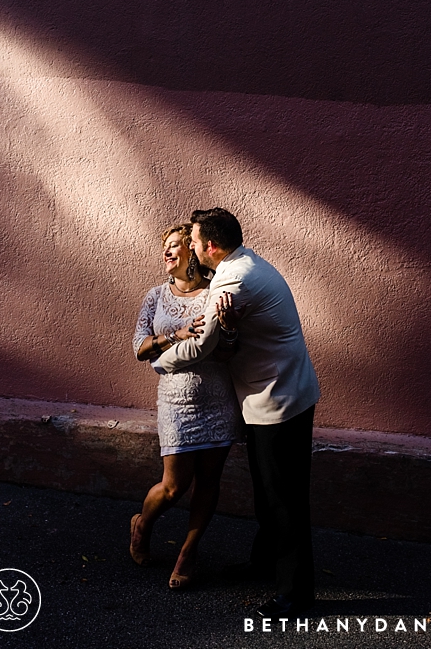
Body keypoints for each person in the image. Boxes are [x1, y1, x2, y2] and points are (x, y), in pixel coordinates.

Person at [155, 208, 321, 619]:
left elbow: (202, 346)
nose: (191, 247)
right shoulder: (242, 263)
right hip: (276, 395)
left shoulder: (235, 278)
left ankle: (294, 596)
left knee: (284, 501)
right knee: (269, 494)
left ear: (211, 247)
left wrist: (158, 360)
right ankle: (264, 564)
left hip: (278, 401)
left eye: (193, 241)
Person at [131, 223, 240, 590]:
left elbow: (227, 353)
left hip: (216, 401)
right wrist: (173, 335)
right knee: (174, 487)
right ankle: (142, 523)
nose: (167, 252)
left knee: (209, 482)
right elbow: (139, 349)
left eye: (176, 245)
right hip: (176, 403)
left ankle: (188, 551)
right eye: (165, 247)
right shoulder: (155, 297)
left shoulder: (214, 294)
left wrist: (229, 330)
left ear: (193, 253)